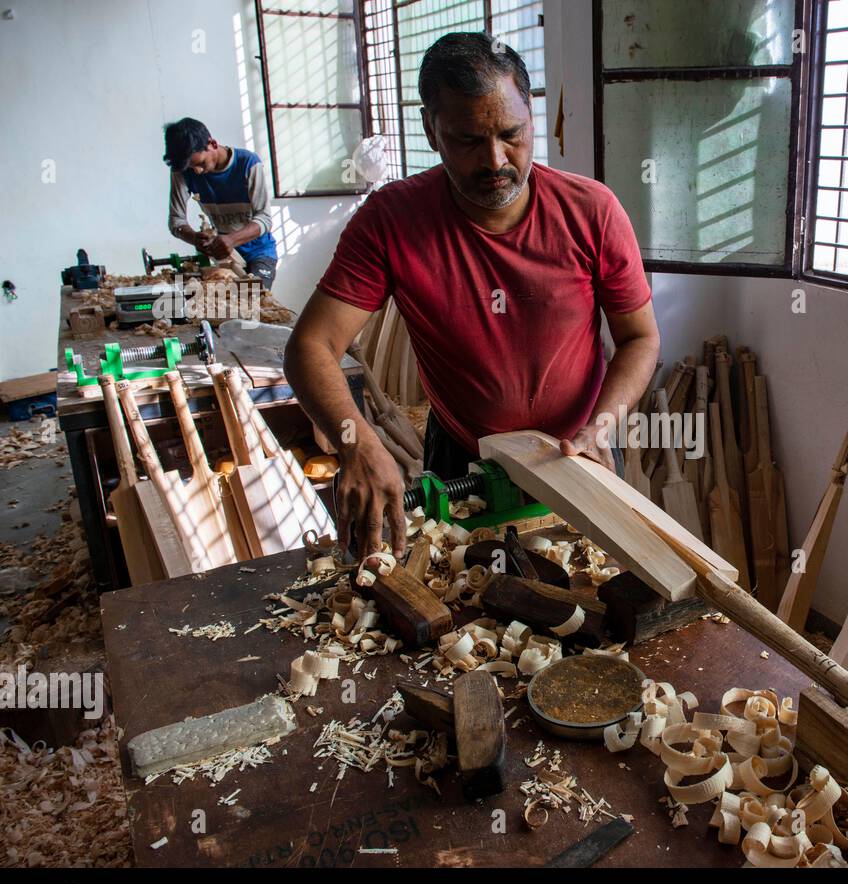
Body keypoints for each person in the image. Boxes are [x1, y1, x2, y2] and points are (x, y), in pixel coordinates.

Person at [285, 33, 660, 560]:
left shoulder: (592, 210)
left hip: (579, 453)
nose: (495, 160)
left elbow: (640, 337)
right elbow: (310, 345)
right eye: (467, 140)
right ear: (431, 131)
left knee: (589, 598)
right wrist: (357, 441)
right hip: (462, 458)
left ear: (531, 115)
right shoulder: (391, 221)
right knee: (466, 610)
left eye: (512, 134)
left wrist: (602, 426)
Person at [163, 118, 279, 288]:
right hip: (222, 256)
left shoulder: (248, 163)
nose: (197, 171)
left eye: (201, 163)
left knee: (255, 298)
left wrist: (232, 239)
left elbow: (265, 218)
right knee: (220, 304)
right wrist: (195, 238)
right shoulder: (184, 170)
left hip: (259, 252)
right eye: (191, 167)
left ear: (212, 144)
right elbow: (176, 221)